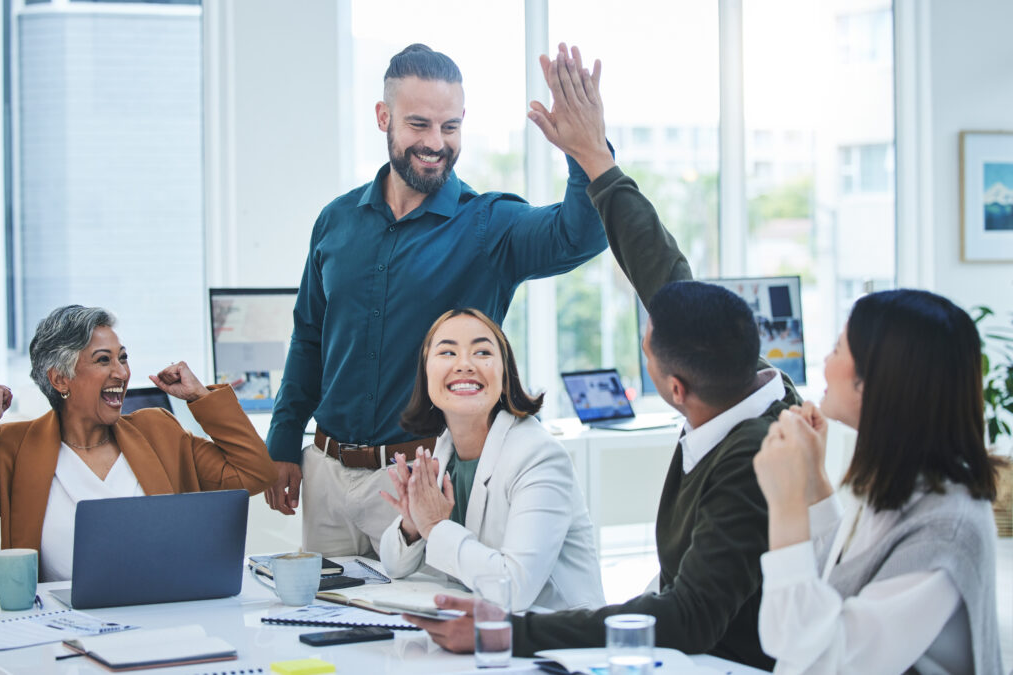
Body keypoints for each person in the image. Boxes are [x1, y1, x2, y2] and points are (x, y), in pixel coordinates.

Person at [403, 46, 797, 670]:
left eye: (478, 348)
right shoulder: (734, 380)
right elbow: (663, 272)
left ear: (672, 386)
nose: (462, 364)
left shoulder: (753, 457)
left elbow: (688, 617)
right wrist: (593, 157)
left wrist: (510, 631)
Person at [263, 43, 608, 557]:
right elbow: (310, 338)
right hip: (326, 478)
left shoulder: (489, 225)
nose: (435, 143)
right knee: (319, 626)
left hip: (419, 481)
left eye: (450, 128)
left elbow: (579, 235)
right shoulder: (336, 221)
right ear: (384, 117)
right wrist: (284, 439)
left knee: (409, 633)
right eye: (419, 125)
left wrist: (587, 150)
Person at [752, 289, 1002, 674]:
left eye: (837, 349)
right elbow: (835, 585)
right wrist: (814, 482)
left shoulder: (947, 529)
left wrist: (785, 504)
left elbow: (815, 656)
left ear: (871, 383)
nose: (825, 361)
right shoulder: (902, 479)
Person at [0, 305, 277, 581]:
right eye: (103, 360)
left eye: (122, 357)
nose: (122, 372)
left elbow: (254, 473)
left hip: (163, 613)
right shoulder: (15, 447)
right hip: (58, 628)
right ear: (60, 378)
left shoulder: (158, 429)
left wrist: (201, 397)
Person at [377, 308, 604, 612]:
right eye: (447, 352)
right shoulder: (444, 449)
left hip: (554, 638)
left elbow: (513, 590)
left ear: (505, 373)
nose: (465, 365)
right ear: (426, 373)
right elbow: (394, 566)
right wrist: (412, 524)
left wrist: (432, 524)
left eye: (482, 351)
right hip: (481, 630)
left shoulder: (539, 456)